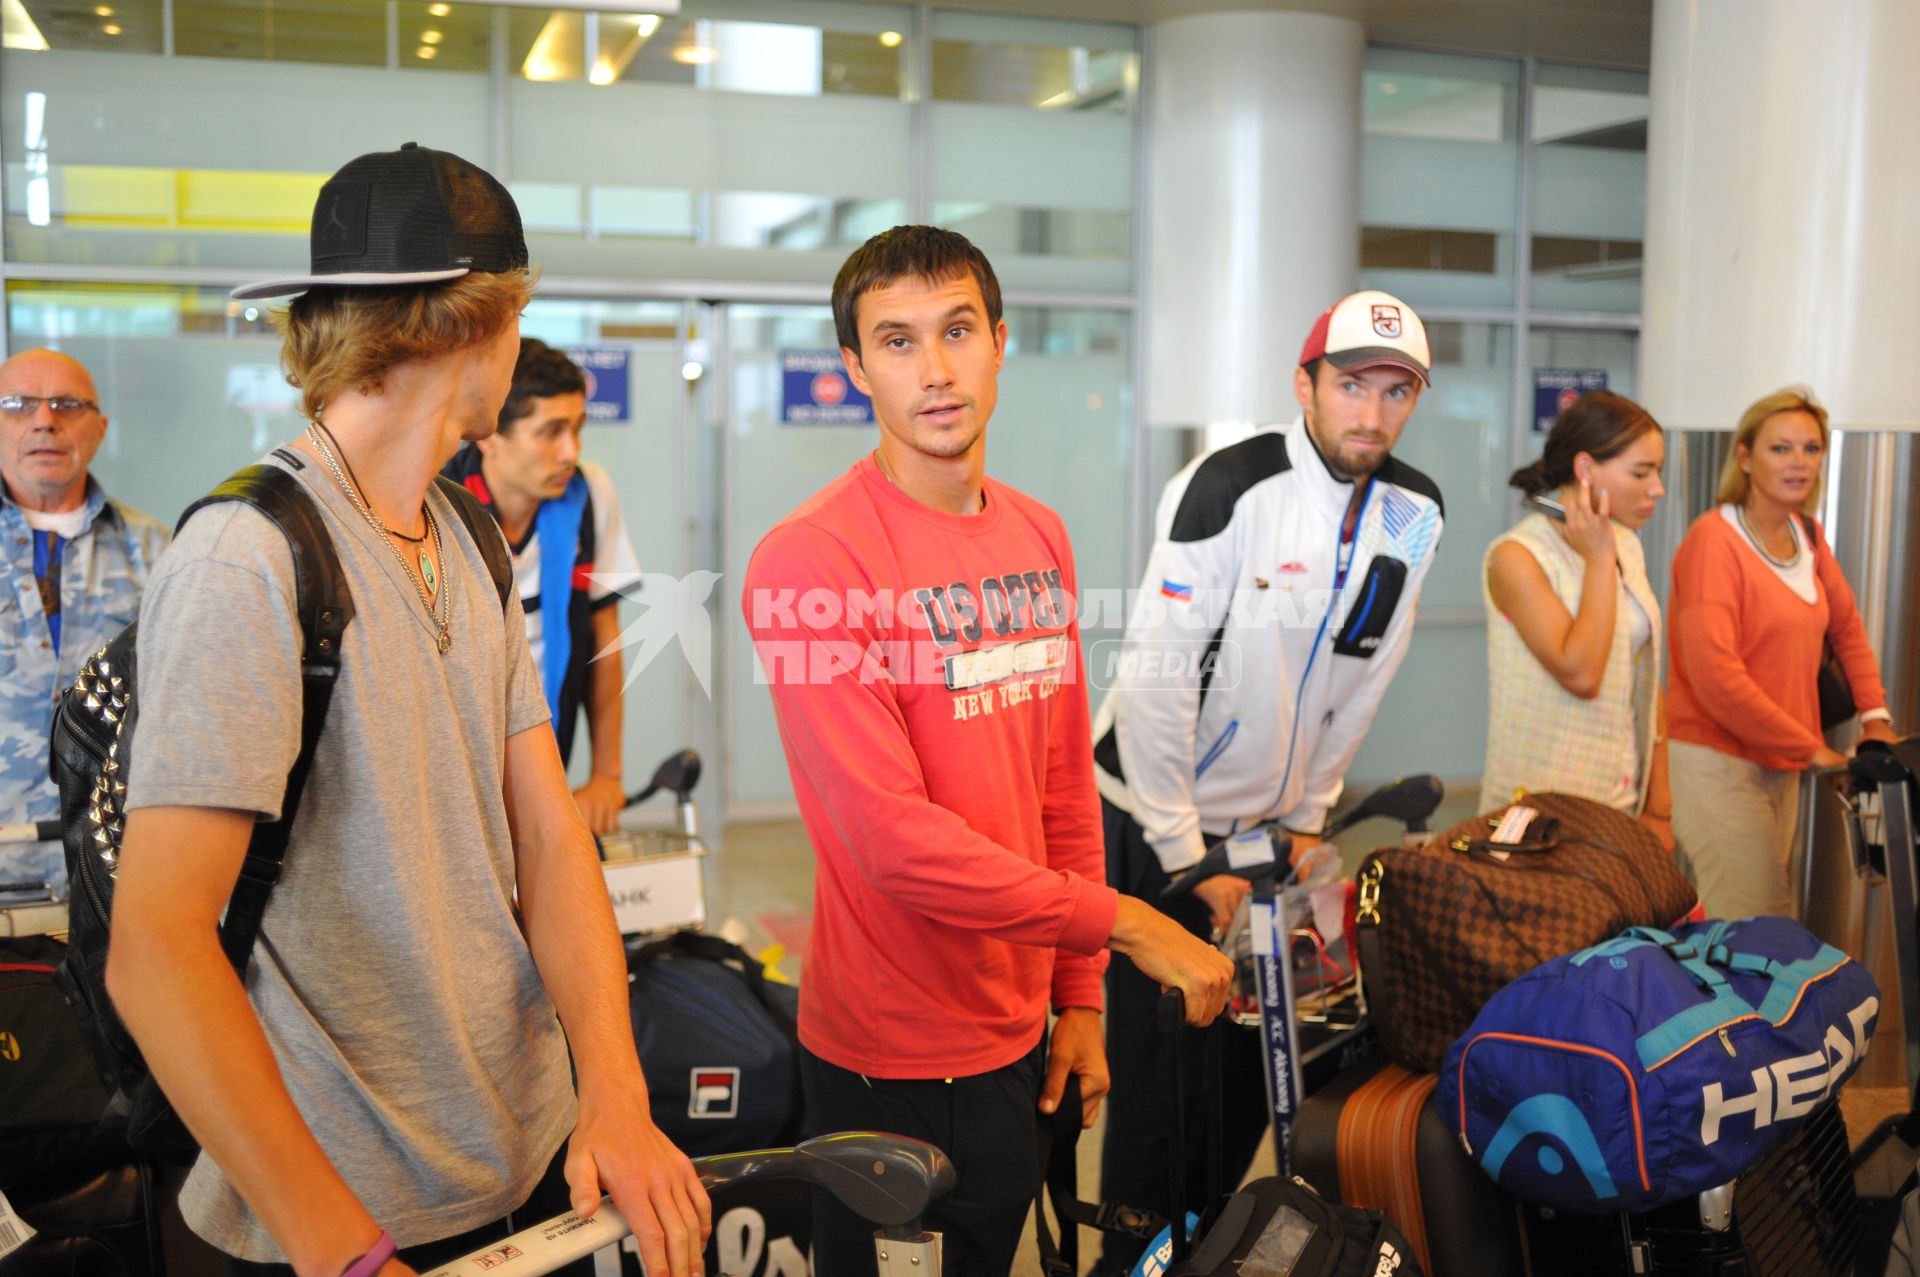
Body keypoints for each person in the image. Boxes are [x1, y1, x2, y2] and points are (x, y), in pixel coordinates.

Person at [104, 144, 707, 1277]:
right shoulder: (250, 555)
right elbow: (155, 948)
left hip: (519, 1167)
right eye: (518, 311)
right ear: (471, 321)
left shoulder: (470, 532)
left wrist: (613, 1094)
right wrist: (348, 1252)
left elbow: (548, 836)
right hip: (326, 1222)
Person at [741, 224, 1231, 1277]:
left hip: (1020, 1038)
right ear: (855, 369)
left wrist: (1082, 997)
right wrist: (1130, 925)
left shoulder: (1038, 534)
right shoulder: (811, 559)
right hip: (886, 1055)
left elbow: (1061, 785)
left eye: (957, 329)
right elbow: (892, 843)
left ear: (1000, 341)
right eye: (899, 341)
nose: (936, 368)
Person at [1087, 289, 1445, 1275]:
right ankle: (1134, 1256)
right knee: (1161, 1084)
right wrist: (1184, 853)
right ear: (1306, 384)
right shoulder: (1229, 488)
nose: (1371, 412)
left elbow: (1366, 675)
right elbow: (1158, 682)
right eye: (1350, 385)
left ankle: (1208, 1249)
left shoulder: (1416, 513)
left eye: (1395, 391)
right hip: (1152, 819)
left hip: (1267, 826)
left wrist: (1301, 821)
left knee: (1249, 1071)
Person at [1667, 386, 1896, 919]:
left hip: (1782, 762)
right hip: (1718, 763)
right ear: (1744, 456)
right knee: (1757, 922)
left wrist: (1876, 718)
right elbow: (1716, 678)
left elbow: (1849, 633)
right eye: (1781, 448)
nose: (1799, 462)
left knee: (1764, 918)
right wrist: (1814, 751)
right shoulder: (1714, 541)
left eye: (1811, 448)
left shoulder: (1806, 535)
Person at [443, 338, 644, 834]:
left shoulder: (589, 492)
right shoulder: (436, 504)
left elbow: (605, 641)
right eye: (550, 432)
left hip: (548, 760)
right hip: (453, 777)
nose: (570, 452)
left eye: (576, 430)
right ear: (490, 434)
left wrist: (605, 775)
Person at [0, 349, 168, 902]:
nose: (44, 419)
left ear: (99, 430)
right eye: (18, 405)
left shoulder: (163, 552)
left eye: (67, 405)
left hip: (114, 887)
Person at [1482, 390, 1671, 843]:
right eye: (1641, 472)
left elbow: (1644, 676)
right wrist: (1600, 559)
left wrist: (1660, 806)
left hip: (1620, 799)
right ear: (1585, 470)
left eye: (1658, 472)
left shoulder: (1625, 542)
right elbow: (1582, 672)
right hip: (1537, 817)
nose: (1657, 489)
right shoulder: (1517, 557)